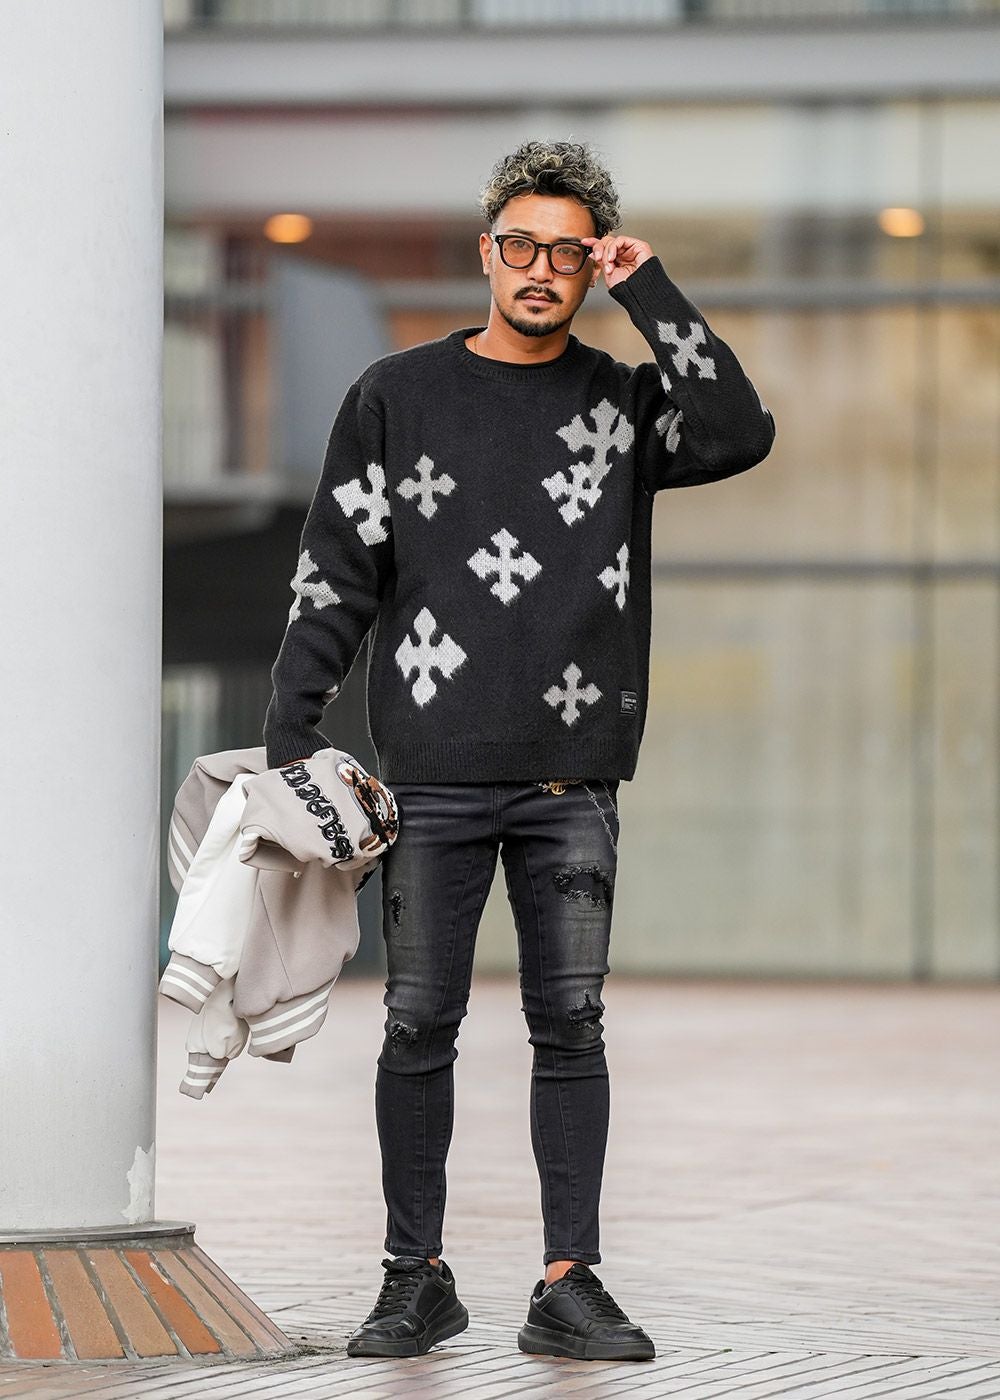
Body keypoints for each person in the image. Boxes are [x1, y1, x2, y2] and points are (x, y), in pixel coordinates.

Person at [263, 139, 775, 1362]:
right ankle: (415, 1277)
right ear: (486, 252)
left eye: (568, 252)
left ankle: (567, 1280)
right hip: (432, 774)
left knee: (571, 1027)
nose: (541, 269)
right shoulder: (396, 396)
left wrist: (649, 287)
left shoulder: (623, 404)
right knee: (415, 1025)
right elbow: (337, 569)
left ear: (591, 265)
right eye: (520, 246)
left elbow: (739, 427)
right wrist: (292, 728)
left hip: (569, 776)